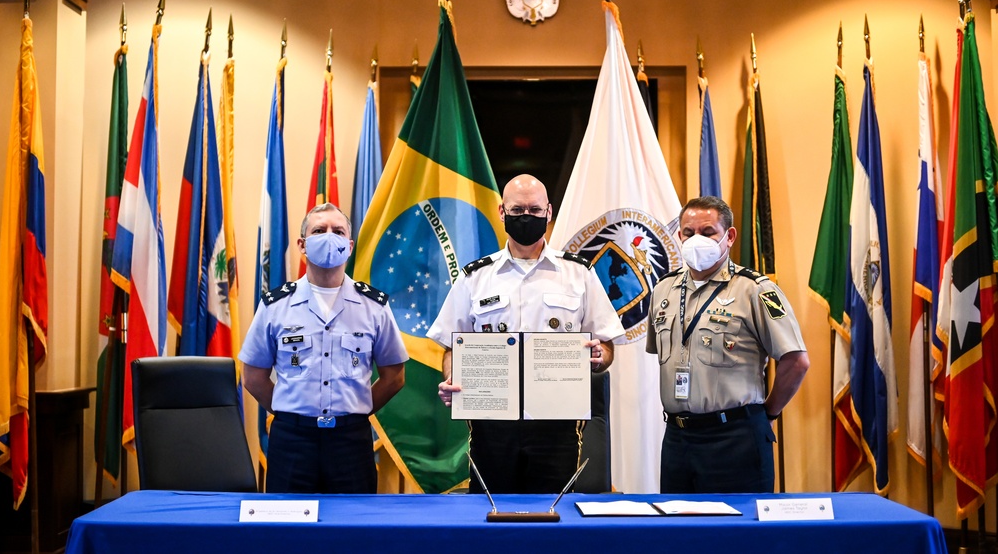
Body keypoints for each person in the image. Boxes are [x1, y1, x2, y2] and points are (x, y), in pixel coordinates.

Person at [427, 174, 625, 494]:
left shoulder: (578, 273)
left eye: (534, 210)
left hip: (556, 423)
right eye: (518, 210)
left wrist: (600, 356)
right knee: (490, 517)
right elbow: (452, 344)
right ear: (502, 212)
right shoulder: (475, 277)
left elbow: (605, 343)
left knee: (553, 518)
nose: (526, 217)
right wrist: (453, 377)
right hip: (492, 423)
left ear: (548, 212)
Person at [240, 203, 407, 494]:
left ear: (350, 245)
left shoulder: (373, 306)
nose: (329, 237)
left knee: (353, 530)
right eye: (319, 231)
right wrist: (291, 409)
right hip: (292, 441)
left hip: (350, 442)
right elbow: (252, 376)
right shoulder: (275, 305)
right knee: (287, 532)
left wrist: (356, 409)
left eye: (338, 231)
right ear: (302, 245)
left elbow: (394, 376)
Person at [646, 196, 809, 493]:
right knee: (677, 534)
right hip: (677, 440)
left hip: (734, 439)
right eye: (688, 233)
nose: (697, 240)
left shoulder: (755, 290)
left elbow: (796, 361)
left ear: (729, 236)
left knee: (737, 535)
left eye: (708, 233)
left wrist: (767, 414)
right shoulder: (662, 290)